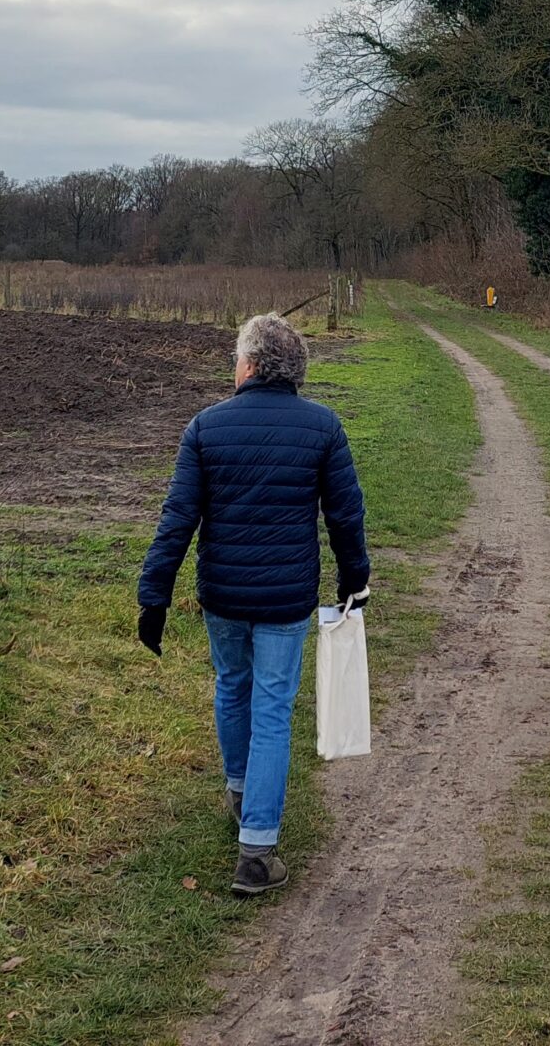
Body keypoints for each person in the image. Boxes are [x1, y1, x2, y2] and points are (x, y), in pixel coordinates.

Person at [137, 312, 370, 896]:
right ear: (293, 371)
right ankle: (257, 851)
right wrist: (354, 579)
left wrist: (154, 596)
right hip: (286, 599)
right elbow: (345, 514)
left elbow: (177, 520)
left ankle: (241, 796)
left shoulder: (205, 427)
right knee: (271, 710)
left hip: (223, 595)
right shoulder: (323, 427)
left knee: (230, 687)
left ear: (248, 365)